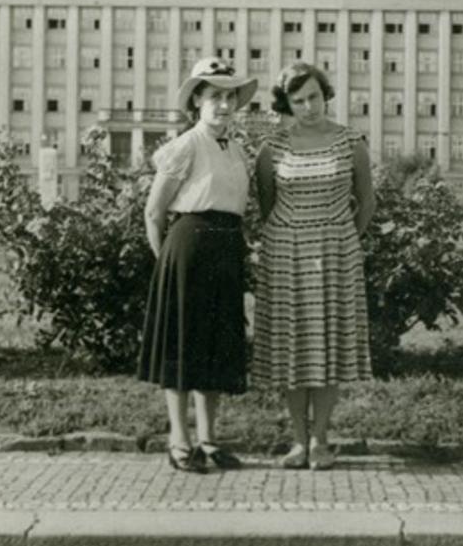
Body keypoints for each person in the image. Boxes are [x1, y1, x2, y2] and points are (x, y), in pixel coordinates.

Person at [138, 56, 258, 473]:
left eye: (229, 97)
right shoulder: (186, 145)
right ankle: (179, 441)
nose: (223, 105)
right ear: (196, 103)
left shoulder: (236, 149)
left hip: (226, 249)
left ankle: (209, 441)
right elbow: (154, 213)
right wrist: (167, 266)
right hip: (189, 247)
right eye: (214, 97)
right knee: (183, 345)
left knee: (216, 347)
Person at [253, 61, 375, 470]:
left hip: (337, 253)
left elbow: (367, 202)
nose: (309, 107)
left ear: (326, 96)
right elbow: (267, 205)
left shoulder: (351, 142)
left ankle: (322, 440)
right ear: (286, 103)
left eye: (315, 97)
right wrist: (292, 236)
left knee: (328, 347)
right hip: (285, 254)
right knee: (293, 349)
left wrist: (342, 237)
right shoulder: (273, 147)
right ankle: (298, 442)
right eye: (299, 100)